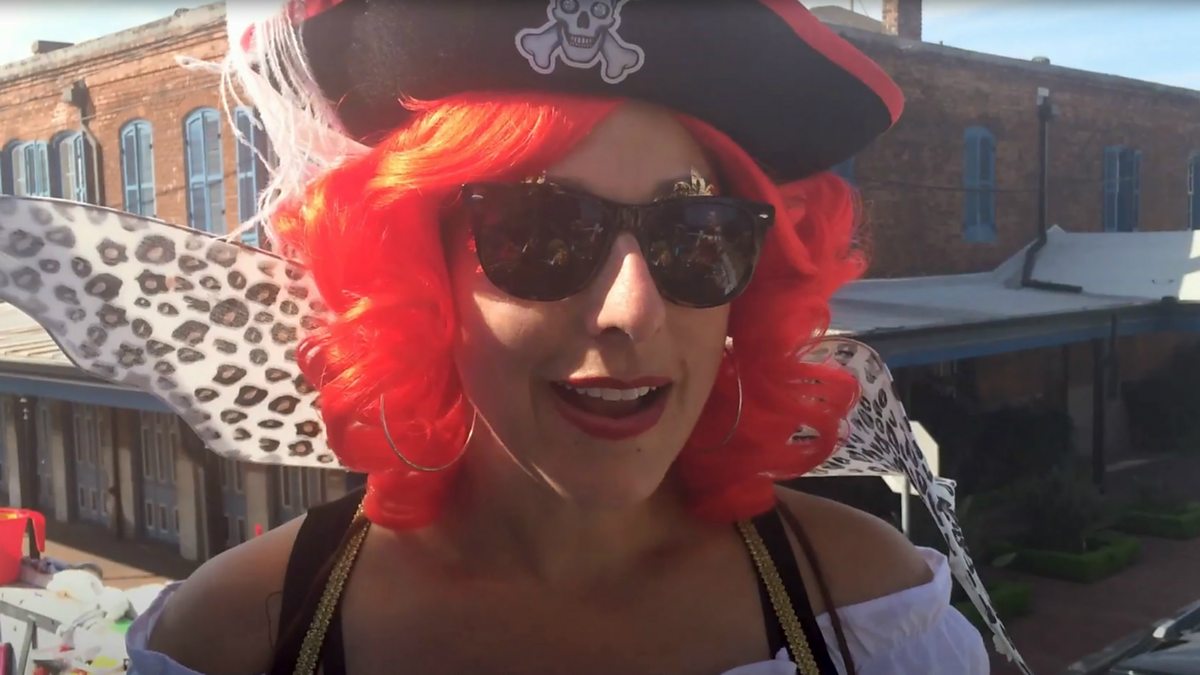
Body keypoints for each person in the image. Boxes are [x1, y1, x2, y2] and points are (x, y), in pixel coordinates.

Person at [114, 1, 998, 673]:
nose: (632, 310)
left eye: (699, 236)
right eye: (540, 233)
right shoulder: (240, 634)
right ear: (418, 270)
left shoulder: (868, 612)